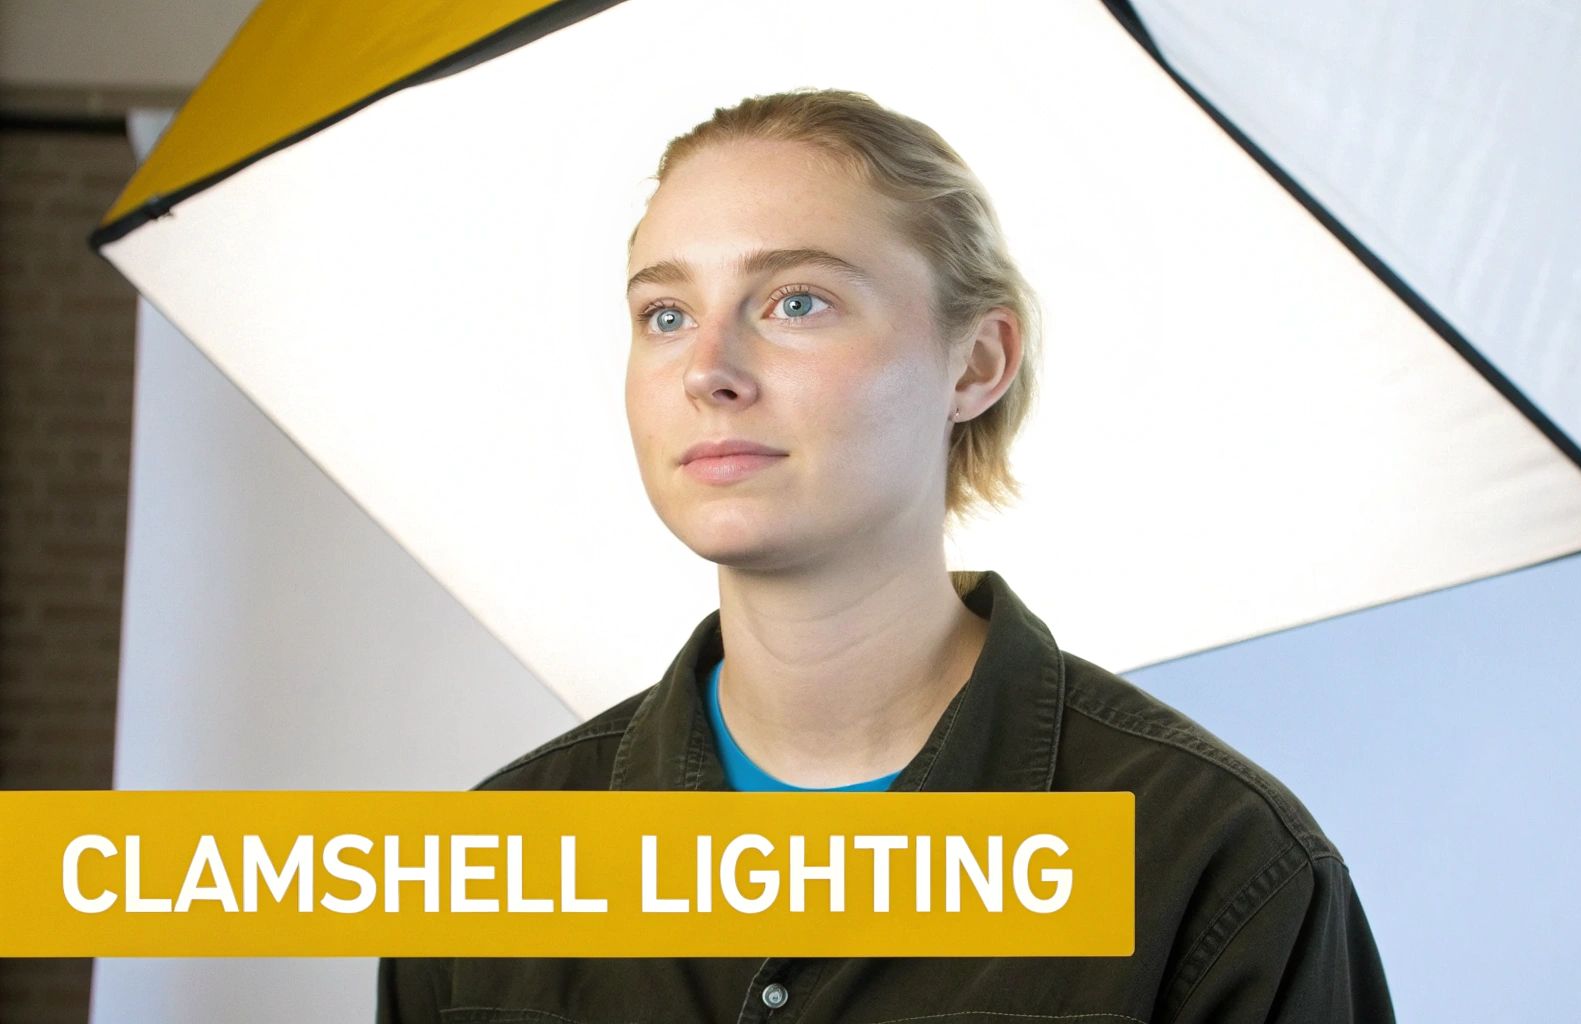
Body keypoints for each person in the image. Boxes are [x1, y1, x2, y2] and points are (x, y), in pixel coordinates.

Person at [377, 86, 1395, 1023]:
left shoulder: (1214, 863)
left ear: (977, 360)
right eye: (666, 314)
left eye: (796, 301)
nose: (708, 370)